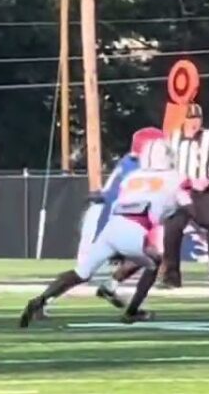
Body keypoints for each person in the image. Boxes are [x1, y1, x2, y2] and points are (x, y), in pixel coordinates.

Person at [21, 140, 186, 327]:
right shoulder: (174, 178)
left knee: (80, 273)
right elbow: (168, 209)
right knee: (153, 262)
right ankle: (132, 311)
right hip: (134, 227)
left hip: (111, 227)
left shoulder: (132, 177)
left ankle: (40, 301)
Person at [91, 127, 165, 308]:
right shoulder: (140, 168)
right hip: (123, 220)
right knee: (150, 257)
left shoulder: (128, 162)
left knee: (146, 257)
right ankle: (133, 307)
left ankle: (111, 286)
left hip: (113, 219)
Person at [161, 103, 209, 289]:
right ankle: (171, 278)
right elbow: (164, 164)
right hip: (179, 193)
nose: (194, 123)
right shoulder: (173, 138)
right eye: (191, 119)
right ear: (184, 120)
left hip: (202, 193)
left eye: (197, 119)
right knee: (171, 233)